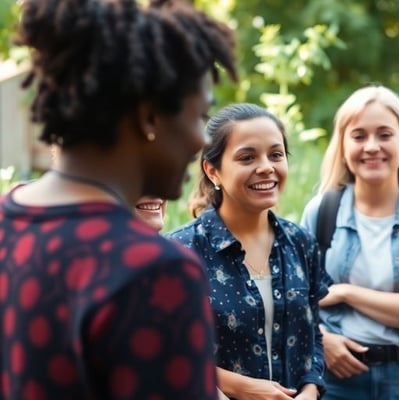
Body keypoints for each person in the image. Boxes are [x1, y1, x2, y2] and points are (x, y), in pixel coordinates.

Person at [0, 0, 236, 398]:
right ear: (149, 117)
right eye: (200, 116)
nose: (203, 140)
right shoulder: (153, 271)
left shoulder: (9, 221)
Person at [168, 103, 328, 400]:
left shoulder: (300, 243)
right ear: (212, 170)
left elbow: (313, 339)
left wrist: (309, 390)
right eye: (247, 157)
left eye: (276, 154)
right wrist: (241, 387)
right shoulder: (179, 253)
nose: (266, 166)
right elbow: (167, 353)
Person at [299, 85, 399, 399]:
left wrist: (345, 293)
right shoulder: (322, 212)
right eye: (359, 136)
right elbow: (297, 301)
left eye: (384, 134)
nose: (372, 146)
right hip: (333, 379)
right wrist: (321, 339)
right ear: (344, 147)